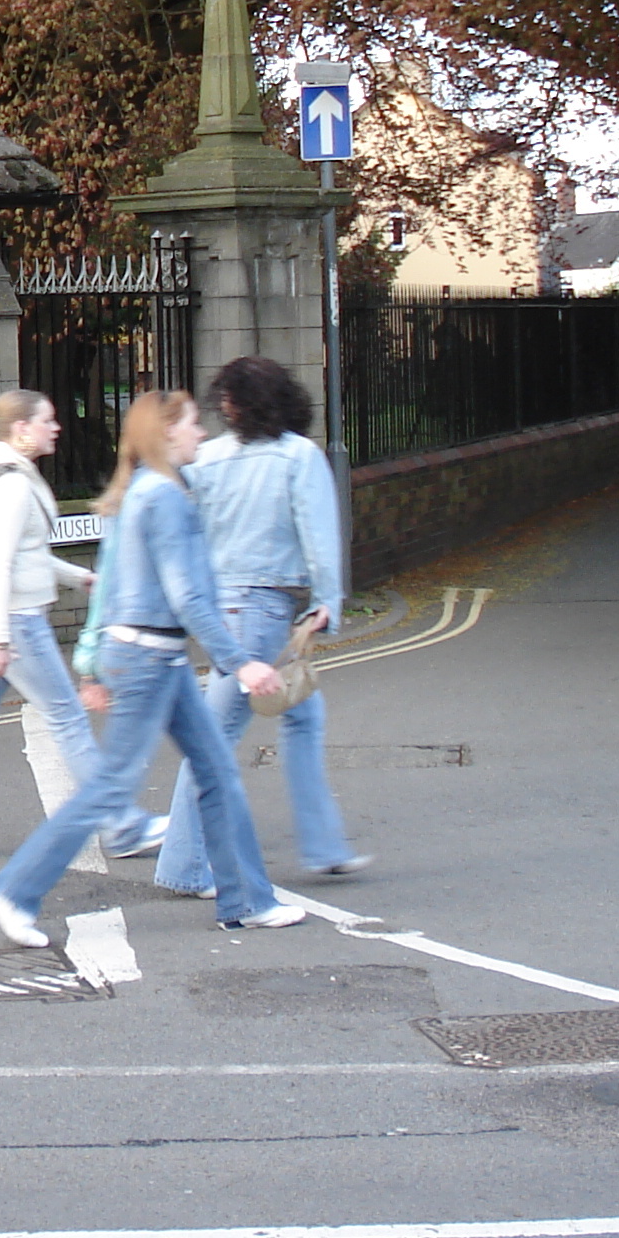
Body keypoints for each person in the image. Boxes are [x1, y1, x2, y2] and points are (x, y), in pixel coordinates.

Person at [0, 389, 306, 944]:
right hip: (149, 658)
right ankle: (17, 889)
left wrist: (92, 665)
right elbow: (188, 596)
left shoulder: (148, 491)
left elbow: (110, 584)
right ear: (166, 434)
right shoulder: (164, 498)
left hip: (157, 657)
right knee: (113, 787)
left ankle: (247, 901)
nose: (200, 434)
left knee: (218, 773)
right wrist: (240, 664)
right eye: (190, 426)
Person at [0, 391, 167, 864]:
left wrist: (78, 577)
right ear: (21, 429)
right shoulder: (10, 485)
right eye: (47, 420)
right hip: (14, 622)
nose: (57, 427)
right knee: (68, 717)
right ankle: (120, 825)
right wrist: (1, 640)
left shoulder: (1, 472)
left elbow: (22, 555)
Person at [154, 356, 368, 894]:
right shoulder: (299, 457)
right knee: (215, 738)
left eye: (227, 398)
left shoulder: (208, 459)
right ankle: (182, 866)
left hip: (225, 607)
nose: (221, 407)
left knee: (302, 716)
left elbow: (188, 531)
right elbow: (319, 534)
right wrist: (327, 600)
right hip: (265, 609)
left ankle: (323, 847)